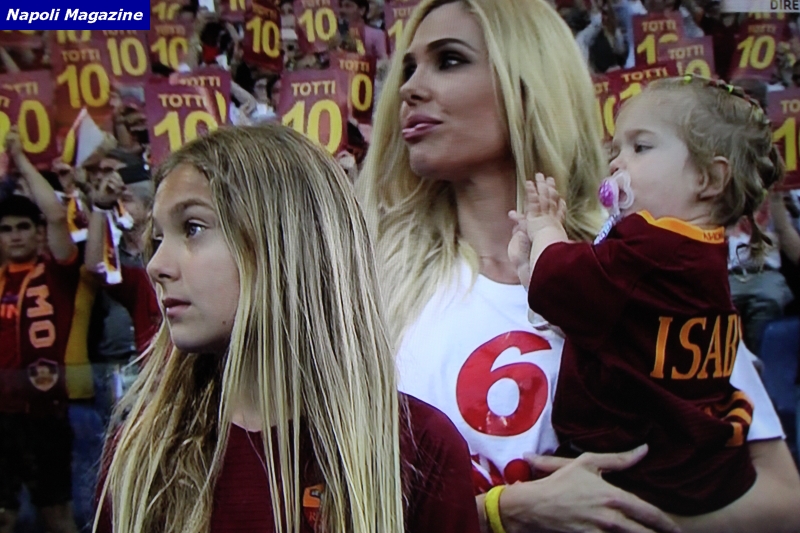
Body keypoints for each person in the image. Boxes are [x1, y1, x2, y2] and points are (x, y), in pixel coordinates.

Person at [357, 0, 800, 531]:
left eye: (449, 60)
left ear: (529, 82)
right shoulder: (361, 283)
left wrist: (615, 517)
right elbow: (321, 503)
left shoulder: (647, 265)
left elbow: (782, 499)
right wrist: (502, 512)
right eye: (407, 68)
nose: (409, 88)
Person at [94, 124, 480, 533]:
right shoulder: (142, 456)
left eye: (192, 228)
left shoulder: (417, 448)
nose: (156, 265)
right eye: (158, 238)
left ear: (285, 240)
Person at [508, 75, 784, 515]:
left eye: (640, 147)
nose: (617, 164)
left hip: (637, 471)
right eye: (615, 150)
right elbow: (609, 320)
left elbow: (559, 280)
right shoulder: (702, 250)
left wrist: (545, 229)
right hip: (701, 473)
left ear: (709, 178)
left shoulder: (649, 246)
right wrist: (533, 276)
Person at [0, 130, 81, 533]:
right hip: (1, 417)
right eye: (6, 229)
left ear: (37, 233)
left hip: (46, 413)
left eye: (23, 227)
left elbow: (55, 214)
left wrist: (20, 159)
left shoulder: (56, 273)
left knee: (57, 516)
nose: (15, 234)